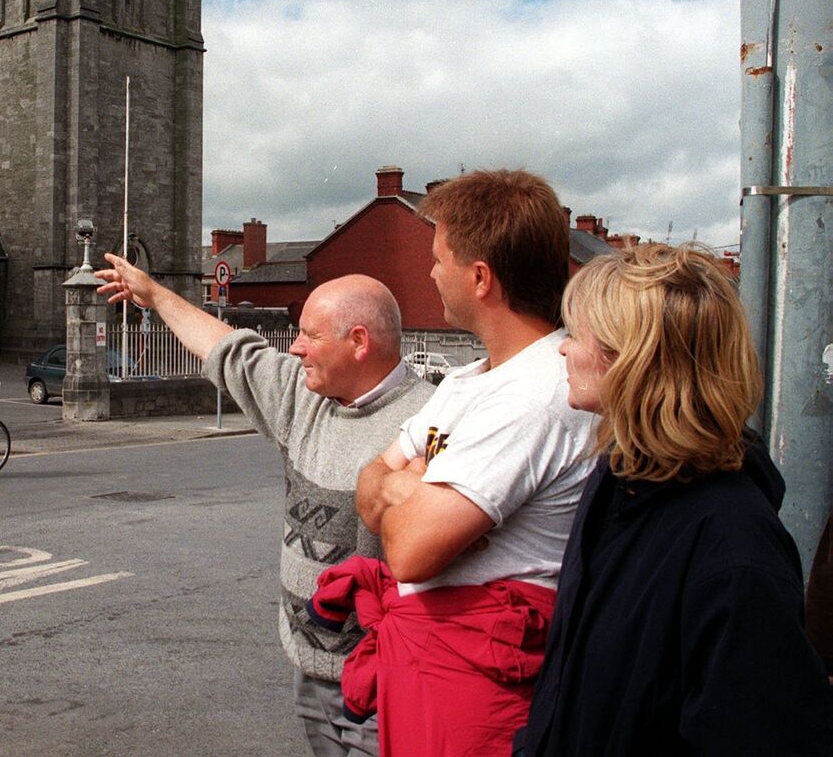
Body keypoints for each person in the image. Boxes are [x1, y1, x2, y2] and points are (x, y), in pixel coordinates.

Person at [96, 259, 433, 756]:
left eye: (308, 336)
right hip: (310, 676)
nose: (294, 348)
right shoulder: (306, 395)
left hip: (386, 686)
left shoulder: (431, 423)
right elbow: (228, 348)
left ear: (359, 342)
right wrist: (155, 295)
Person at [516, 243, 833, 756]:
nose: (563, 349)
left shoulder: (733, 549)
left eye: (577, 334)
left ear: (632, 359)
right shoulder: (618, 483)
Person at [354, 169, 597, 755]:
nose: (432, 272)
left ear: (481, 278)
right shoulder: (468, 380)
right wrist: (411, 495)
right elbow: (366, 486)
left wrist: (408, 484)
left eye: (440, 258)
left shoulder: (533, 393)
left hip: (478, 688)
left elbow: (411, 552)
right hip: (433, 669)